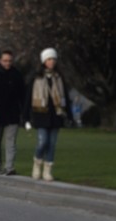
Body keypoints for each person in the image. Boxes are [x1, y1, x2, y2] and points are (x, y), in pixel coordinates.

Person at [24, 48, 72, 181]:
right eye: (49, 59)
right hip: (41, 115)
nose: (52, 62)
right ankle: (37, 162)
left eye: (53, 59)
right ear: (44, 61)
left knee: (52, 144)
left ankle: (47, 170)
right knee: (42, 142)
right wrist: (26, 117)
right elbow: (28, 98)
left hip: (56, 115)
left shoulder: (59, 77)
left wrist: (69, 115)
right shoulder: (36, 77)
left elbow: (66, 97)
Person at [0, 50, 25, 175]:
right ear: (0, 61)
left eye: (10, 61)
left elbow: (22, 96)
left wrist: (23, 112)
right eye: (5, 60)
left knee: (11, 141)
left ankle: (9, 167)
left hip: (13, 114)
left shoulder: (17, 75)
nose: (7, 63)